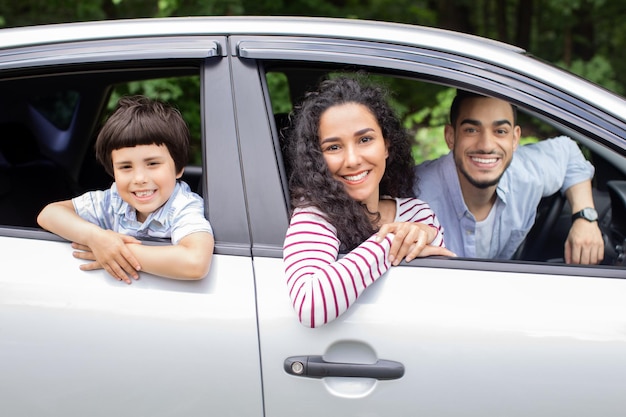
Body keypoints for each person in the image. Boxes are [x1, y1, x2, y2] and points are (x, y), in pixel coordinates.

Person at [283, 76, 454, 328]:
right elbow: (310, 305)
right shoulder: (314, 216)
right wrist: (391, 242)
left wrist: (419, 234)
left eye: (365, 140)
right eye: (333, 147)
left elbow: (444, 292)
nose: (352, 160)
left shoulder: (417, 213)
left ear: (386, 145)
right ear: (317, 159)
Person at [37, 95, 214, 283]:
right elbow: (48, 214)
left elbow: (195, 263)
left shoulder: (183, 206)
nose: (139, 179)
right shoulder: (114, 200)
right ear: (113, 172)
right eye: (126, 167)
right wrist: (96, 238)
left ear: (178, 168)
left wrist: (116, 251)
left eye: (152, 163)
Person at [414, 90, 604, 264]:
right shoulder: (415, 194)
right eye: (471, 130)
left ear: (514, 139)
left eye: (500, 131)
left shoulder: (526, 173)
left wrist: (584, 217)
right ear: (451, 136)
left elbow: (569, 153)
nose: (487, 145)